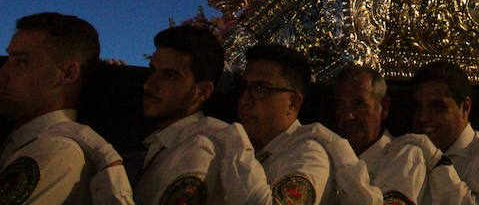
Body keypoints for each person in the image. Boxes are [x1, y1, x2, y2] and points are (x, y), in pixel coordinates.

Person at [0, 12, 133, 205]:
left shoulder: (56, 151)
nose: (4, 72)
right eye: (9, 58)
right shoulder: (21, 140)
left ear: (68, 74)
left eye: (21, 61)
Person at [134, 25, 269, 205]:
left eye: (170, 76)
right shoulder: (167, 142)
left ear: (202, 92)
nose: (149, 85)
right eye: (153, 71)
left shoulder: (198, 149)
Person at [239, 44, 381, 205]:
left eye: (260, 89)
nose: (245, 101)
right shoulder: (258, 148)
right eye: (244, 88)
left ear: (293, 102)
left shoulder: (308, 155)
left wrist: (234, 149)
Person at [411, 61, 479, 205]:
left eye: (437, 106)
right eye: (418, 106)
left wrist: (438, 163)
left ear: (465, 107)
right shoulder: (412, 155)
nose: (423, 117)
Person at [334, 64, 437, 203]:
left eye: (359, 105)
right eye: (340, 106)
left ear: (384, 108)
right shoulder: (327, 154)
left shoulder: (405, 155)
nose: (347, 116)